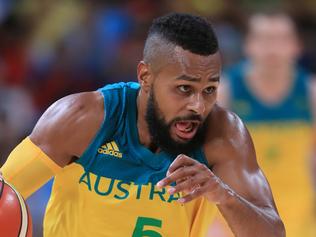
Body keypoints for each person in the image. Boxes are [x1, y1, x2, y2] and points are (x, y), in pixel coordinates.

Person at [0, 13, 285, 237]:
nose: (198, 105)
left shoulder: (223, 135)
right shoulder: (82, 118)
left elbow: (272, 232)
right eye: (184, 88)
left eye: (209, 89)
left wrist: (222, 193)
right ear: (145, 76)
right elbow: (6, 191)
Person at [217, 12, 316, 237]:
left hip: (301, 222)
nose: (272, 48)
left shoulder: (311, 93)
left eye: (280, 39)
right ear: (248, 45)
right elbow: (207, 161)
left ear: (296, 46)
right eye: (263, 39)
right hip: (238, 223)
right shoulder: (224, 93)